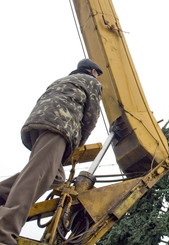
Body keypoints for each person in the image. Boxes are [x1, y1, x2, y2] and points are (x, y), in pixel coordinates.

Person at [0, 58, 103, 244]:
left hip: (38, 124)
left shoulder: (63, 80)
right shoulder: (92, 82)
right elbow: (91, 117)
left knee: (55, 177)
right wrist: (78, 144)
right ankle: (4, 230)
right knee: (37, 175)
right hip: (60, 126)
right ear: (93, 72)